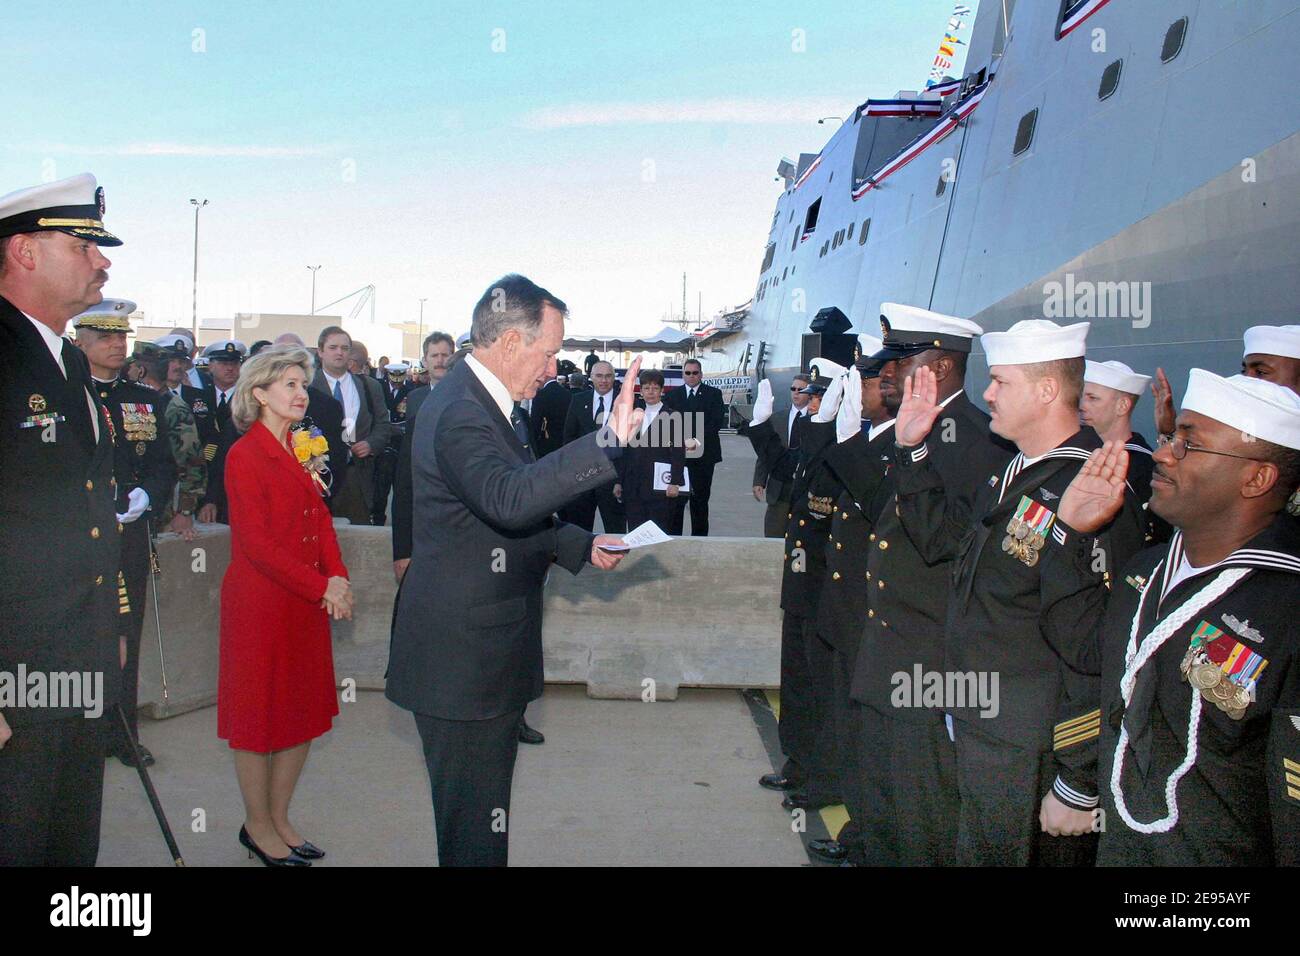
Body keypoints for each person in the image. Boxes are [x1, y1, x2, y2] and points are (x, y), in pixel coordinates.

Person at [386, 274, 638, 867]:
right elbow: (506, 499)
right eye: (549, 352)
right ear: (509, 343)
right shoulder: (461, 412)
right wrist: (606, 442)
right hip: (462, 663)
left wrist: (577, 544)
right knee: (473, 833)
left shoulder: (488, 404)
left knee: (482, 824)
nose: (553, 368)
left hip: (483, 654)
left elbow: (498, 517)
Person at [890, 319, 1146, 866]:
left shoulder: (1093, 490)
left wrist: (1078, 778)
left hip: (1034, 745)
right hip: (984, 723)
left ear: (1047, 390)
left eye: (1001, 382)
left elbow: (1103, 649)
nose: (986, 393)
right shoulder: (1015, 471)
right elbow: (941, 543)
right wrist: (912, 450)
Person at [1041, 370, 1300, 865]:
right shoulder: (1146, 569)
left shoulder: (1287, 604)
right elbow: (1087, 651)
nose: (1162, 453)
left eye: (1189, 445)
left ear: (1257, 478)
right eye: (1171, 437)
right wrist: (1071, 534)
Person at [826, 308, 1008, 865]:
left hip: (929, 662)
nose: (891, 373)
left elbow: (937, 542)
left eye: (904, 361)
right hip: (887, 649)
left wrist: (913, 450)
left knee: (920, 815)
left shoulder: (978, 441)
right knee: (880, 803)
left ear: (944, 366)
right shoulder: (913, 432)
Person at [0, 172, 124, 865]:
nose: (103, 261)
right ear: (24, 252)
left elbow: (90, 510)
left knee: (67, 842)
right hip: (13, 670)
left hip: (77, 659)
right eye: (84, 246)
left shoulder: (68, 361)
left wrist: (110, 629)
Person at [218, 344, 353, 867]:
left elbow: (320, 520)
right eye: (290, 385)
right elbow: (255, 544)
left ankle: (280, 819)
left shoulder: (303, 445)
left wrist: (337, 574)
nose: (302, 393)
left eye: (303, 383)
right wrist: (322, 587)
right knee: (258, 720)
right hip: (261, 605)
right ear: (259, 394)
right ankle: (256, 825)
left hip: (304, 602)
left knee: (300, 714)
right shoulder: (243, 455)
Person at [801, 336, 894, 864]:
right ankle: (859, 833)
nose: (858, 391)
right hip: (844, 606)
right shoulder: (868, 439)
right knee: (846, 722)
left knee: (870, 736)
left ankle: (867, 839)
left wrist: (843, 441)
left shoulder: (897, 447)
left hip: (872, 612)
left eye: (868, 381)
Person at [74, 299, 177, 769]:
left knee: (126, 630)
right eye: (104, 336)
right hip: (77, 534)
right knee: (78, 633)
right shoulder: (66, 394)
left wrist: (148, 498)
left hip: (129, 535)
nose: (117, 344)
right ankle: (79, 734)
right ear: (80, 341)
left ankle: (122, 732)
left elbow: (162, 464)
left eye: (122, 337)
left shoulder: (146, 400)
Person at [744, 364, 845, 815]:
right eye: (809, 394)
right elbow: (786, 465)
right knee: (798, 680)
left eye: (819, 395)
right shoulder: (814, 442)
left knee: (823, 686)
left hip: (827, 590)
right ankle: (799, 762)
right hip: (801, 587)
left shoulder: (846, 451)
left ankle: (824, 776)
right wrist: (760, 427)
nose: (810, 403)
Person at [313, 326, 393, 525]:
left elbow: (383, 424)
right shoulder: (307, 387)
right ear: (321, 351)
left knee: (358, 536)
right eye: (333, 347)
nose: (339, 352)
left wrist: (371, 444)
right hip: (319, 476)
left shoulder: (369, 387)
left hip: (358, 475)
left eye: (344, 348)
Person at [135, 339, 207, 541]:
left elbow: (192, 460)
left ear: (141, 371)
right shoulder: (140, 401)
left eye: (133, 366)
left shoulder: (173, 406)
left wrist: (185, 512)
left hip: (164, 508)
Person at [616, 368, 686, 533]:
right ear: (640, 391)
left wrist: (675, 481)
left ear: (662, 391)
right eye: (646, 388)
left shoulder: (672, 416)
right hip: (633, 486)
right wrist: (619, 480)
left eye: (655, 388)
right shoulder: (633, 415)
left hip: (659, 488)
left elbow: (678, 452)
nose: (650, 392)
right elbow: (624, 451)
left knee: (657, 532)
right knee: (634, 532)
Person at [560, 360, 627, 533]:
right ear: (590, 377)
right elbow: (569, 439)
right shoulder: (577, 400)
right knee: (581, 531)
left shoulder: (625, 403)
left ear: (614, 378)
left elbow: (631, 446)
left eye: (608, 376)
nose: (603, 380)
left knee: (615, 531)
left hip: (613, 481)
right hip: (584, 479)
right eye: (599, 376)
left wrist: (621, 480)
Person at [665, 358, 726, 535]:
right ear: (683, 375)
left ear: (701, 374)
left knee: (700, 499)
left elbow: (715, 422)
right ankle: (675, 538)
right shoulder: (672, 396)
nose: (691, 376)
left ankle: (700, 539)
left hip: (704, 456)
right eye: (688, 373)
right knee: (677, 500)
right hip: (679, 456)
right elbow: (669, 424)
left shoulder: (713, 394)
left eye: (695, 373)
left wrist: (695, 443)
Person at [752, 372, 810, 538]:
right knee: (773, 535)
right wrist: (759, 480)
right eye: (793, 388)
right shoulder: (777, 418)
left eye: (801, 389)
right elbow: (765, 452)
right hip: (778, 488)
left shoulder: (816, 420)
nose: (796, 392)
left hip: (803, 488)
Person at [195, 339, 246, 524]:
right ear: (211, 366)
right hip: (200, 480)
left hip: (233, 482)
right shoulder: (197, 398)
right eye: (224, 363)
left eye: (234, 363)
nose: (230, 368)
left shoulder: (248, 401)